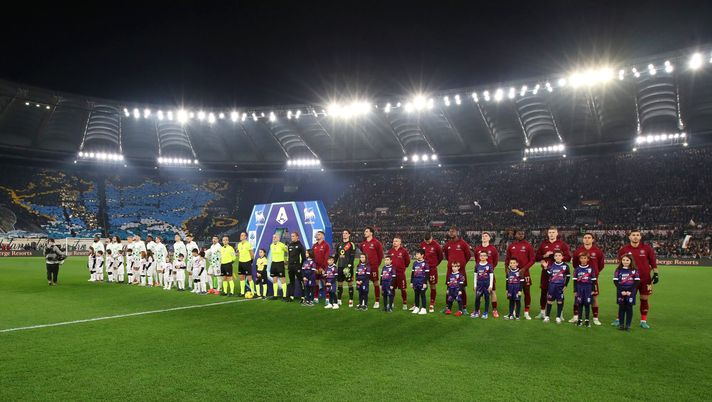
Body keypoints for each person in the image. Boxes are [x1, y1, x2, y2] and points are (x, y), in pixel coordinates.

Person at [616, 230, 659, 329]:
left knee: (644, 298)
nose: (635, 237)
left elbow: (653, 261)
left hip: (645, 279)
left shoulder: (647, 248)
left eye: (637, 235)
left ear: (640, 237)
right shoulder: (624, 249)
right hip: (629, 279)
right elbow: (620, 264)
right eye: (633, 235)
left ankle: (643, 321)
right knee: (624, 299)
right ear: (629, 237)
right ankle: (619, 319)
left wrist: (656, 273)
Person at [535, 227, 571, 320]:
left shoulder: (562, 244)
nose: (551, 234)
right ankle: (542, 312)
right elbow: (537, 257)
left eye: (553, 232)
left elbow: (568, 257)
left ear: (557, 233)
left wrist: (555, 255)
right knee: (544, 292)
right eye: (550, 232)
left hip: (559, 274)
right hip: (546, 272)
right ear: (547, 234)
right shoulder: (543, 244)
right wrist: (545, 255)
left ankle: (560, 314)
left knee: (560, 293)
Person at [570, 233, 606, 325]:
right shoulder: (578, 251)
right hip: (580, 280)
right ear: (583, 240)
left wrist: (595, 273)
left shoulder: (598, 251)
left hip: (592, 280)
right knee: (577, 297)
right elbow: (575, 265)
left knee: (594, 298)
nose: (587, 239)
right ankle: (575, 317)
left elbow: (601, 265)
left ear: (592, 239)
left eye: (589, 238)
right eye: (585, 238)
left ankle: (595, 318)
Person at [504, 230, 535, 319]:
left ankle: (526, 312)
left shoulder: (528, 245)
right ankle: (512, 312)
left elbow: (532, 260)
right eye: (519, 233)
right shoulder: (511, 246)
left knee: (526, 292)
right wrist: (506, 269)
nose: (521, 235)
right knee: (512, 292)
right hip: (513, 274)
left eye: (522, 233)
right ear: (515, 235)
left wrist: (524, 269)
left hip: (525, 274)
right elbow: (507, 259)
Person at [444, 226, 472, 313]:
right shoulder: (447, 244)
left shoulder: (463, 243)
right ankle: (448, 307)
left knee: (462, 288)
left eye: (453, 231)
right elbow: (446, 255)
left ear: (457, 232)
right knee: (449, 288)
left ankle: (464, 307)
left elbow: (468, 255)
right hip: (450, 270)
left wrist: (462, 264)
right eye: (450, 231)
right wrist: (452, 265)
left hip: (461, 270)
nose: (451, 233)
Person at [474, 232, 500, 318]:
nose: (484, 237)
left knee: (492, 291)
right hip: (480, 275)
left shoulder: (493, 249)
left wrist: (490, 270)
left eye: (486, 236)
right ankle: (477, 310)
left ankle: (494, 310)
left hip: (489, 275)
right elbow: (476, 260)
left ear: (489, 238)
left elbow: (495, 261)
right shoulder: (477, 249)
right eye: (483, 236)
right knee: (478, 292)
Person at [613, 253, 640, 331]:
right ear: (621, 261)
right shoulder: (618, 270)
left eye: (627, 260)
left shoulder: (634, 270)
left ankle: (628, 325)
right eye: (623, 260)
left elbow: (637, 282)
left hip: (631, 292)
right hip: (620, 291)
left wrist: (629, 291)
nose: (625, 261)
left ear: (631, 261)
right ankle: (621, 325)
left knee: (629, 308)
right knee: (621, 308)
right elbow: (615, 282)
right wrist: (621, 290)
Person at [359, 227, 384, 309]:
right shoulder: (362, 244)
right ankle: (363, 301)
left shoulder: (377, 243)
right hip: (364, 268)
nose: (365, 232)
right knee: (363, 283)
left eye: (366, 231)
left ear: (371, 233)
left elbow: (380, 255)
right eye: (364, 231)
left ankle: (377, 301)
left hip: (373, 267)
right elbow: (362, 256)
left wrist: (376, 265)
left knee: (375, 283)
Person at [543, 251, 571, 324]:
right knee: (549, 301)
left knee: (559, 301)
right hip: (552, 286)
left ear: (562, 257)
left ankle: (558, 317)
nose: (558, 257)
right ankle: (547, 316)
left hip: (560, 287)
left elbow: (568, 276)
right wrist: (546, 268)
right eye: (556, 256)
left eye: (559, 255)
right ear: (554, 257)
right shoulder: (552, 265)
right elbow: (549, 274)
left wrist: (565, 285)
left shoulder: (565, 266)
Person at [420, 232, 444, 312]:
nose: (427, 242)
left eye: (428, 241)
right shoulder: (422, 244)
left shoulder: (436, 245)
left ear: (431, 238)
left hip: (432, 269)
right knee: (421, 284)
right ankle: (419, 302)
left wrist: (435, 264)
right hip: (423, 269)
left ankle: (432, 303)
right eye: (426, 241)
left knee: (432, 285)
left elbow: (440, 257)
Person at [572, 252, 597, 327]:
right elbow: (575, 281)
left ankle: (587, 320)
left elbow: (593, 280)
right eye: (581, 258)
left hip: (588, 289)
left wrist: (593, 290)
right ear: (579, 259)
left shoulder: (590, 269)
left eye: (585, 258)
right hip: (579, 289)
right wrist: (575, 290)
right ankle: (579, 320)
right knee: (579, 304)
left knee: (587, 304)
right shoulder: (577, 269)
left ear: (588, 259)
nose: (583, 260)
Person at [387, 236, 411, 310]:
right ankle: (392, 302)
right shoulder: (390, 251)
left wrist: (402, 268)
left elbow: (407, 262)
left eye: (396, 241)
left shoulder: (404, 251)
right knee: (392, 288)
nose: (394, 242)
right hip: (392, 274)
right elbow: (388, 261)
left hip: (400, 274)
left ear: (400, 242)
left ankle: (404, 303)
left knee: (403, 289)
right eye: (394, 241)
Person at [335, 230, 357, 307]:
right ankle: (339, 299)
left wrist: (349, 265)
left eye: (346, 233)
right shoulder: (339, 244)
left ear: (349, 235)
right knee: (339, 283)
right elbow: (336, 256)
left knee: (349, 283)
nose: (344, 234)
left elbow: (352, 256)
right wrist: (334, 264)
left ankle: (351, 300)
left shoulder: (351, 244)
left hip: (347, 267)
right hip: (340, 267)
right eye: (343, 233)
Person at [472, 251, 494, 319]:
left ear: (487, 257)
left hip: (486, 284)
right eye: (481, 255)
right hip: (479, 285)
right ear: (479, 257)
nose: (482, 257)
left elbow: (491, 276)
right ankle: (476, 312)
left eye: (484, 255)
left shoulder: (489, 266)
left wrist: (490, 285)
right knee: (477, 298)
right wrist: (475, 284)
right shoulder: (477, 265)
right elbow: (475, 275)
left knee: (487, 298)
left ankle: (485, 313)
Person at [311, 231, 330, 303]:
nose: (317, 235)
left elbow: (326, 257)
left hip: (323, 268)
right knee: (316, 283)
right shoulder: (314, 245)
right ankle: (316, 297)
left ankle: (327, 298)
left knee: (326, 283)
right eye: (317, 234)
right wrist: (314, 267)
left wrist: (322, 268)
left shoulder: (326, 245)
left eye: (319, 234)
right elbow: (312, 257)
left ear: (322, 236)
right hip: (316, 268)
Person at [287, 232, 306, 302]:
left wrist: (300, 267)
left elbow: (304, 258)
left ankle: (303, 297)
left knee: (301, 282)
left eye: (293, 236)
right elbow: (289, 257)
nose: (292, 237)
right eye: (291, 236)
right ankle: (291, 297)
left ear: (297, 237)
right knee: (291, 282)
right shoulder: (290, 245)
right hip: (290, 267)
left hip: (297, 267)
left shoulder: (300, 246)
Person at [269, 233, 289, 299]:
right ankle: (275, 295)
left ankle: (284, 295)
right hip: (273, 264)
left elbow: (288, 251)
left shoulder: (282, 245)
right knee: (274, 279)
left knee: (282, 279)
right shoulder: (271, 245)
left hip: (280, 264)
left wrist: (287, 260)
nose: (273, 238)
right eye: (273, 237)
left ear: (278, 238)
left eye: (275, 237)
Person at [410, 249, 429, 315]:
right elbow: (412, 273)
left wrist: (425, 283)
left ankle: (424, 308)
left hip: (422, 282)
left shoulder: (425, 263)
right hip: (415, 281)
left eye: (418, 254)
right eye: (416, 254)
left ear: (422, 255)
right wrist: (411, 282)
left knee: (422, 295)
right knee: (416, 295)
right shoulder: (415, 263)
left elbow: (427, 274)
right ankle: (417, 307)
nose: (416, 255)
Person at [236, 232, 255, 297]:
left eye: (242, 235)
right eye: (240, 235)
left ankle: (252, 292)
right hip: (241, 262)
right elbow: (239, 253)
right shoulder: (239, 244)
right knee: (241, 277)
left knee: (249, 277)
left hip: (247, 262)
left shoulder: (248, 244)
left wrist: (251, 261)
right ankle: (242, 292)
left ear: (246, 237)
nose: (241, 236)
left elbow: (252, 254)